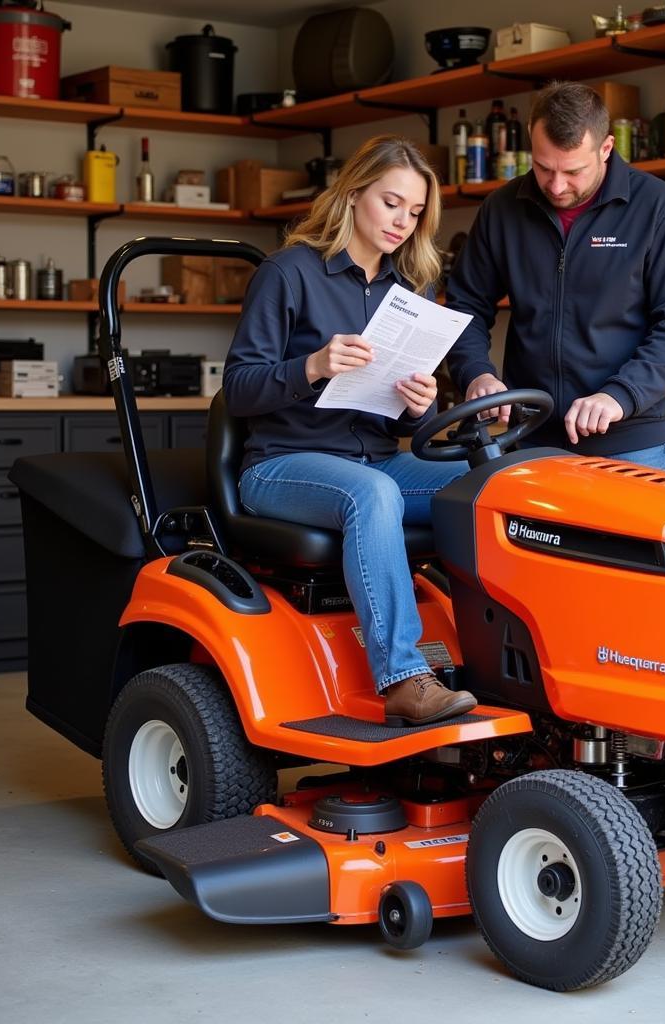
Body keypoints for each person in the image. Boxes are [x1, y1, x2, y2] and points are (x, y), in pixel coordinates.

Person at [223, 135, 477, 726]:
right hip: (283, 464)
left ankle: (493, 655)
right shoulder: (288, 273)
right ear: (354, 191)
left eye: (415, 214)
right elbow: (238, 387)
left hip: (376, 457)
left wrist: (421, 405)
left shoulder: (407, 288)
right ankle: (403, 678)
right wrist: (312, 366)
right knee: (373, 494)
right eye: (392, 204)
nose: (403, 223)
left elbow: (401, 408)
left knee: (484, 484)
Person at [446, 81, 665, 473]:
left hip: (630, 443)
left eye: (572, 171)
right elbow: (465, 305)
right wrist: (476, 374)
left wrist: (619, 395)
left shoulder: (658, 207)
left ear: (606, 149)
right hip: (528, 442)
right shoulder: (502, 209)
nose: (556, 186)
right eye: (542, 167)